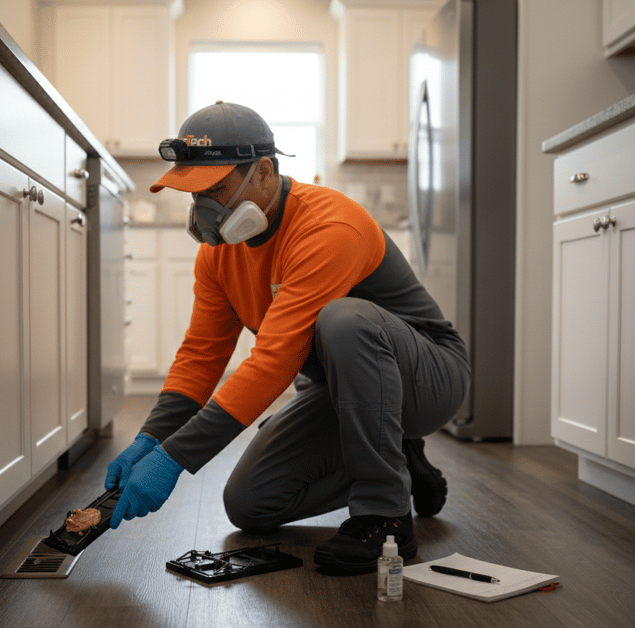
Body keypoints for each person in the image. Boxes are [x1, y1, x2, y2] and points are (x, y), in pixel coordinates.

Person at [104, 101, 470, 572]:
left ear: (263, 172)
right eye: (193, 195)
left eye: (214, 190)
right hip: (342, 392)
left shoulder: (328, 227)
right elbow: (201, 354)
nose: (204, 211)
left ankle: (385, 515)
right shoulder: (219, 256)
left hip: (429, 379)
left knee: (345, 320)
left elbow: (274, 362)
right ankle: (394, 451)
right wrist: (152, 437)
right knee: (251, 504)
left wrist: (175, 459)